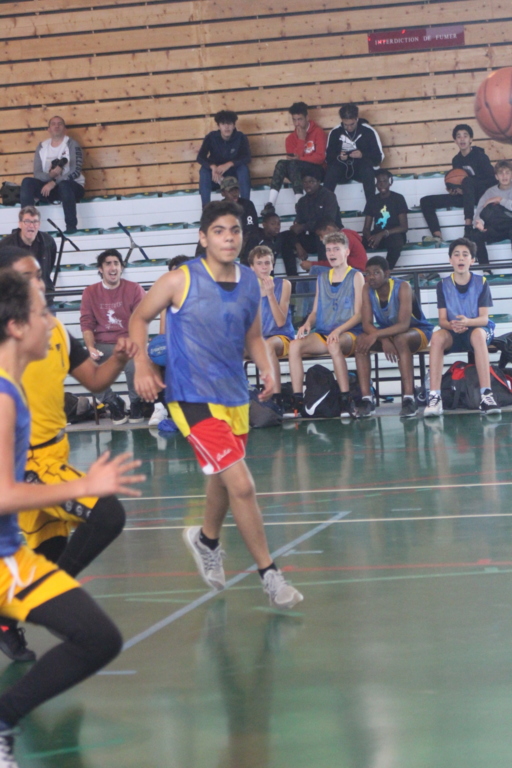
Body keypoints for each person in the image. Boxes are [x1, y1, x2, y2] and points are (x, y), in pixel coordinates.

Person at [0, 269, 143, 766]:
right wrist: (82, 487)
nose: (51, 321)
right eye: (42, 313)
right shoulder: (3, 397)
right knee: (95, 637)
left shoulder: (12, 390)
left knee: (97, 637)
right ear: (17, 325)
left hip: (11, 560)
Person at [130, 200, 303, 609]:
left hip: (233, 394)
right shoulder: (179, 280)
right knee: (242, 484)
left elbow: (254, 337)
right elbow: (138, 318)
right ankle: (270, 575)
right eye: (220, 231)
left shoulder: (249, 283)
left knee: (223, 478)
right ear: (203, 237)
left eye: (235, 230)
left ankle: (206, 540)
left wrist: (267, 368)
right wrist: (142, 364)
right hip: (191, 395)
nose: (229, 238)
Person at [288, 231, 364, 417]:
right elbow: (315, 311)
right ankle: (298, 400)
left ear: (346, 252)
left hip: (349, 332)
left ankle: (345, 399)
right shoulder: (322, 278)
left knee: (334, 344)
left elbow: (359, 315)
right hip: (324, 332)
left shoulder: (356, 276)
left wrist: (338, 331)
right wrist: (307, 323)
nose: (331, 253)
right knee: (294, 345)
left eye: (336, 249)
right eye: (328, 250)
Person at [424, 238, 500, 417]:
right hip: (454, 330)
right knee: (437, 337)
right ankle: (434, 396)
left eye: (465, 255)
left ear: (472, 260)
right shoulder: (442, 285)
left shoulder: (481, 282)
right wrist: (452, 325)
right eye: (456, 254)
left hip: (477, 328)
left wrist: (467, 322)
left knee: (478, 335)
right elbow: (442, 320)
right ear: (450, 259)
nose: (461, 258)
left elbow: (483, 319)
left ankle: (486, 395)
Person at [355, 256, 433, 419]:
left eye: (376, 273)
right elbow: (366, 324)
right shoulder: (366, 289)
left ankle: (409, 399)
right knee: (361, 341)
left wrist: (378, 335)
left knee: (400, 339)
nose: (371, 277)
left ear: (387, 273)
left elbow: (403, 325)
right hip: (388, 334)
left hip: (417, 331)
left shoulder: (403, 287)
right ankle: (367, 399)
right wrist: (383, 339)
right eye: (368, 273)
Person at [80, 249, 146, 424]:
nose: (113, 267)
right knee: (83, 366)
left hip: (128, 341)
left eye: (116, 263)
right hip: (103, 344)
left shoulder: (134, 288)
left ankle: (136, 402)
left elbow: (140, 319)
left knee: (134, 363)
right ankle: (113, 402)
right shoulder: (90, 292)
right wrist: (91, 348)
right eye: (108, 263)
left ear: (121, 267)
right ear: (100, 269)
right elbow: (87, 324)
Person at [420, 124, 495, 244]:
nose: (462, 139)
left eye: (465, 136)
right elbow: (457, 182)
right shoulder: (456, 160)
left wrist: (469, 185)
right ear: (455, 141)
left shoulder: (481, 157)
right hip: (466, 198)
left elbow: (492, 181)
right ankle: (437, 235)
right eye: (458, 136)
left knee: (468, 181)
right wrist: (454, 190)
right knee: (425, 201)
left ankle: (468, 227)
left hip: (481, 196)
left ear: (471, 139)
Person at [20, 115, 85, 234]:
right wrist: (51, 175)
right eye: (53, 124)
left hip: (72, 188)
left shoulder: (71, 144)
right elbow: (37, 173)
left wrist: (54, 182)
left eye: (60, 124)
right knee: (27, 182)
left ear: (65, 129)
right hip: (49, 189)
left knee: (64, 185)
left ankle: (71, 227)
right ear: (48, 129)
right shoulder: (42, 146)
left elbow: (75, 171)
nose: (56, 126)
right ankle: (27, 226)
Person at [248, 245, 295, 409]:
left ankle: (276, 397)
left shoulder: (284, 284)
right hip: (258, 339)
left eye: (267, 263)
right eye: (259, 263)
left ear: (272, 265)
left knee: (267, 346)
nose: (264, 267)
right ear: (252, 267)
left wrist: (270, 294)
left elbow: (280, 321)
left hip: (281, 336)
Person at [264, 101, 326, 210]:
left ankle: (299, 202)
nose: (297, 123)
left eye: (300, 119)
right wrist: (301, 140)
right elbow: (294, 160)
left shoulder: (318, 132)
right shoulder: (290, 139)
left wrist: (301, 157)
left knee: (294, 164)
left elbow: (320, 158)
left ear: (307, 118)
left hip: (317, 170)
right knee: (281, 164)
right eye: (294, 120)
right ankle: (270, 203)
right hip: (297, 171)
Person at [324, 103, 384, 205]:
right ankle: (325, 207)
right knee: (331, 171)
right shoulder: (335, 132)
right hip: (342, 169)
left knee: (367, 171)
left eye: (351, 124)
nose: (349, 128)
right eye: (345, 124)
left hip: (362, 169)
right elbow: (328, 158)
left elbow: (379, 157)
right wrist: (339, 156)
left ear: (357, 119)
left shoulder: (368, 131)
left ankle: (371, 208)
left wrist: (362, 155)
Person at [196, 110, 251, 207]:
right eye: (223, 124)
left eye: (229, 124)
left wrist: (229, 164)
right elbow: (200, 157)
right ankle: (206, 209)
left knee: (243, 169)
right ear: (218, 126)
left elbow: (247, 157)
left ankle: (246, 207)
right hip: (216, 176)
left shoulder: (240, 137)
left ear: (234, 125)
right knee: (204, 171)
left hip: (234, 178)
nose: (226, 127)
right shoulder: (211, 137)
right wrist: (212, 167)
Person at [287, 169, 343, 263]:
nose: (307, 185)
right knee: (287, 238)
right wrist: (298, 245)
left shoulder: (329, 196)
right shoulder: (302, 201)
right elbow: (298, 225)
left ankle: (322, 268)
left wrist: (304, 227)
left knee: (322, 234)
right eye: (305, 182)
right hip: (312, 237)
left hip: (331, 235)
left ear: (319, 182)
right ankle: (293, 271)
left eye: (311, 182)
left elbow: (328, 221)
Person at [0, 207, 56, 295]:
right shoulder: (6, 244)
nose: (31, 225)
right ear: (20, 224)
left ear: (39, 224)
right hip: (15, 296)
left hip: (44, 294)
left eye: (35, 222)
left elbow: (49, 266)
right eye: (27, 221)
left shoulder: (48, 241)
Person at [362, 170, 408, 269]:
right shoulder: (372, 200)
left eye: (385, 181)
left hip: (393, 234)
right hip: (376, 235)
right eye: (379, 181)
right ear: (376, 184)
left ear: (390, 183)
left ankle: (386, 270)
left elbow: (404, 227)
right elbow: (366, 228)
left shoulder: (398, 198)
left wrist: (382, 234)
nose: (382, 184)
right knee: (356, 243)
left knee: (396, 243)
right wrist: (370, 239)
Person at [470, 160, 512, 266]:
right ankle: (486, 269)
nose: (504, 176)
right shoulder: (490, 192)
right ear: (496, 176)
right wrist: (480, 222)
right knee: (476, 234)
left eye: (507, 172)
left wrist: (500, 199)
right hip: (497, 228)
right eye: (501, 173)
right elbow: (479, 211)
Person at [241, 209, 299, 276]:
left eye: (278, 224)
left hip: (269, 275)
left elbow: (289, 234)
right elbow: (247, 261)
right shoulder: (255, 238)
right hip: (253, 276)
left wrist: (298, 245)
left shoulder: (278, 238)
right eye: (273, 224)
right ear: (264, 225)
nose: (277, 227)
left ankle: (293, 280)